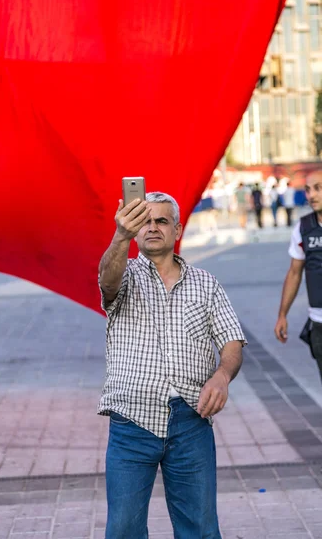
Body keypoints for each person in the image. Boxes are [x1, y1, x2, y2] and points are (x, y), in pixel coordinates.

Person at [98, 191, 246, 539]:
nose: (152, 227)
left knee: (200, 530)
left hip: (191, 423)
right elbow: (107, 281)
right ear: (135, 230)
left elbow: (232, 340)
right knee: (122, 531)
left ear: (177, 229)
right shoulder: (125, 275)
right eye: (144, 221)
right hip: (132, 423)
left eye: (161, 220)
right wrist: (120, 235)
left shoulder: (205, 283)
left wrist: (223, 376)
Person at [274, 170, 322, 381]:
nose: (312, 195)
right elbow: (294, 273)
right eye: (308, 189)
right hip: (318, 322)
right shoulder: (303, 229)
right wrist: (282, 315)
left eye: (318, 188)